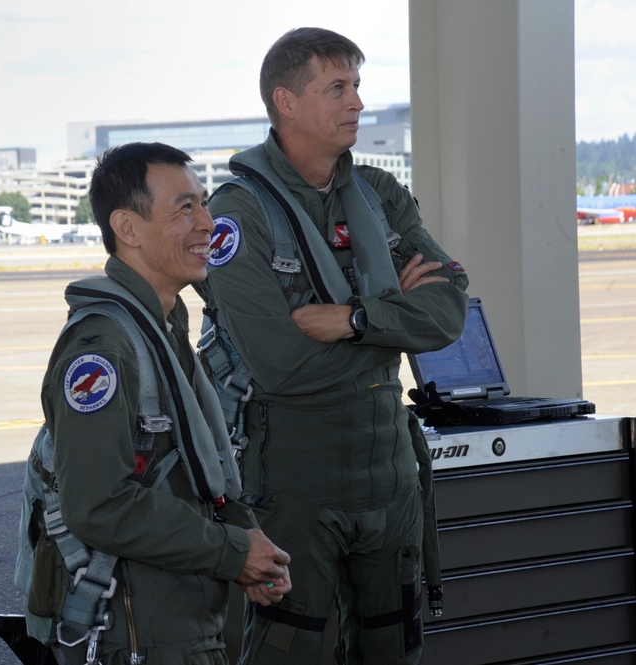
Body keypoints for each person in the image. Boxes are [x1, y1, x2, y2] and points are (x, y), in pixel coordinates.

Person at [195, 28, 470, 664]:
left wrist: (351, 320)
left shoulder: (378, 194)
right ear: (285, 101)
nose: (357, 104)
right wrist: (393, 321)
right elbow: (281, 364)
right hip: (295, 482)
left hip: (389, 476)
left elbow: (448, 310)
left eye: (357, 87)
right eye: (337, 88)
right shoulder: (240, 214)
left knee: (392, 644)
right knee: (295, 647)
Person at [36, 142, 292, 664]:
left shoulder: (163, 326)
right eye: (185, 208)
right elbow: (100, 506)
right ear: (127, 229)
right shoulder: (105, 348)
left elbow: (192, 471)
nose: (208, 222)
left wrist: (248, 542)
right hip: (135, 633)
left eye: (203, 202)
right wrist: (231, 552)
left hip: (179, 620)